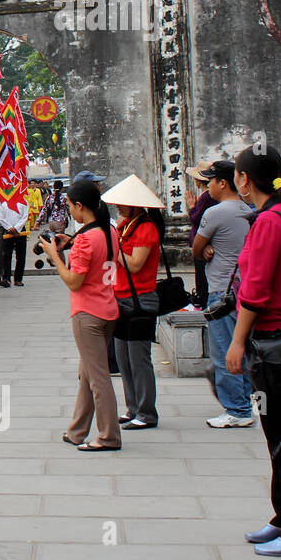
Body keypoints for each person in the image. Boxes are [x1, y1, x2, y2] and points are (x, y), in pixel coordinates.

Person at [225, 144, 281, 556]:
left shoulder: (270, 221)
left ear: (244, 178)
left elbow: (255, 293)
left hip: (274, 344)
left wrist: (237, 342)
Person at [39, 179, 122, 451]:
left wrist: (56, 256)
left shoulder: (87, 238)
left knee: (98, 378)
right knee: (88, 374)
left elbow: (74, 281)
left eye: (71, 206)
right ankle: (77, 431)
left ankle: (109, 435)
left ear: (79, 206)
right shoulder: (109, 230)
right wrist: (71, 244)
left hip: (88, 312)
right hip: (108, 307)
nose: (70, 212)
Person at [192, 161, 254, 428]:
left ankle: (238, 410)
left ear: (223, 183)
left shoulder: (216, 213)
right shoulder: (248, 209)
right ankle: (245, 403)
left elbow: (196, 249)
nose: (208, 187)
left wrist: (206, 248)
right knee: (244, 349)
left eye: (210, 182)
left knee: (224, 351)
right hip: (244, 290)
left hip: (221, 291)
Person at [105, 175, 165, 431]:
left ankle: (147, 412)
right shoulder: (125, 225)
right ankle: (132, 408)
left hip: (140, 298)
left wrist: (116, 248)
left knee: (139, 359)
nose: (118, 207)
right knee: (123, 357)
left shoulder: (146, 228)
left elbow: (136, 264)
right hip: (121, 296)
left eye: (122, 203)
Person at [185, 162, 218, 306]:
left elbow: (196, 219)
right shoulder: (206, 196)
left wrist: (192, 207)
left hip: (203, 245)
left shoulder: (206, 197)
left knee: (202, 277)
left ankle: (203, 300)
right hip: (201, 243)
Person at [0, 195, 30, 288]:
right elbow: (1, 218)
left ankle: (18, 279)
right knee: (6, 255)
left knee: (21, 255)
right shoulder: (3, 202)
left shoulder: (24, 201)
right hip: (7, 230)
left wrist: (17, 228)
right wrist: (9, 228)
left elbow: (25, 216)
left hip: (20, 231)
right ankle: (6, 278)